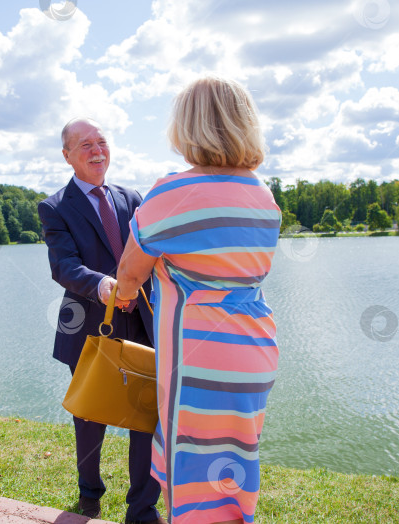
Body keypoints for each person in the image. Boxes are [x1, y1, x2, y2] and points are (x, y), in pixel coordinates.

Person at [114, 76, 282, 524]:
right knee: (232, 471)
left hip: (200, 356)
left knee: (193, 479)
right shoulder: (263, 195)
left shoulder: (174, 191)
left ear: (188, 126)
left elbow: (130, 272)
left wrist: (124, 295)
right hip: (255, 349)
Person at [37, 118, 165, 524]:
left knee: (147, 415)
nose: (97, 151)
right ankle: (89, 494)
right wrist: (103, 285)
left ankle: (142, 508)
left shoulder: (133, 197)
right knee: (90, 414)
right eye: (86, 144)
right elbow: (63, 266)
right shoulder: (55, 207)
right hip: (92, 323)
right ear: (67, 156)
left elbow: (152, 253)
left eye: (102, 142)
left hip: (142, 323)